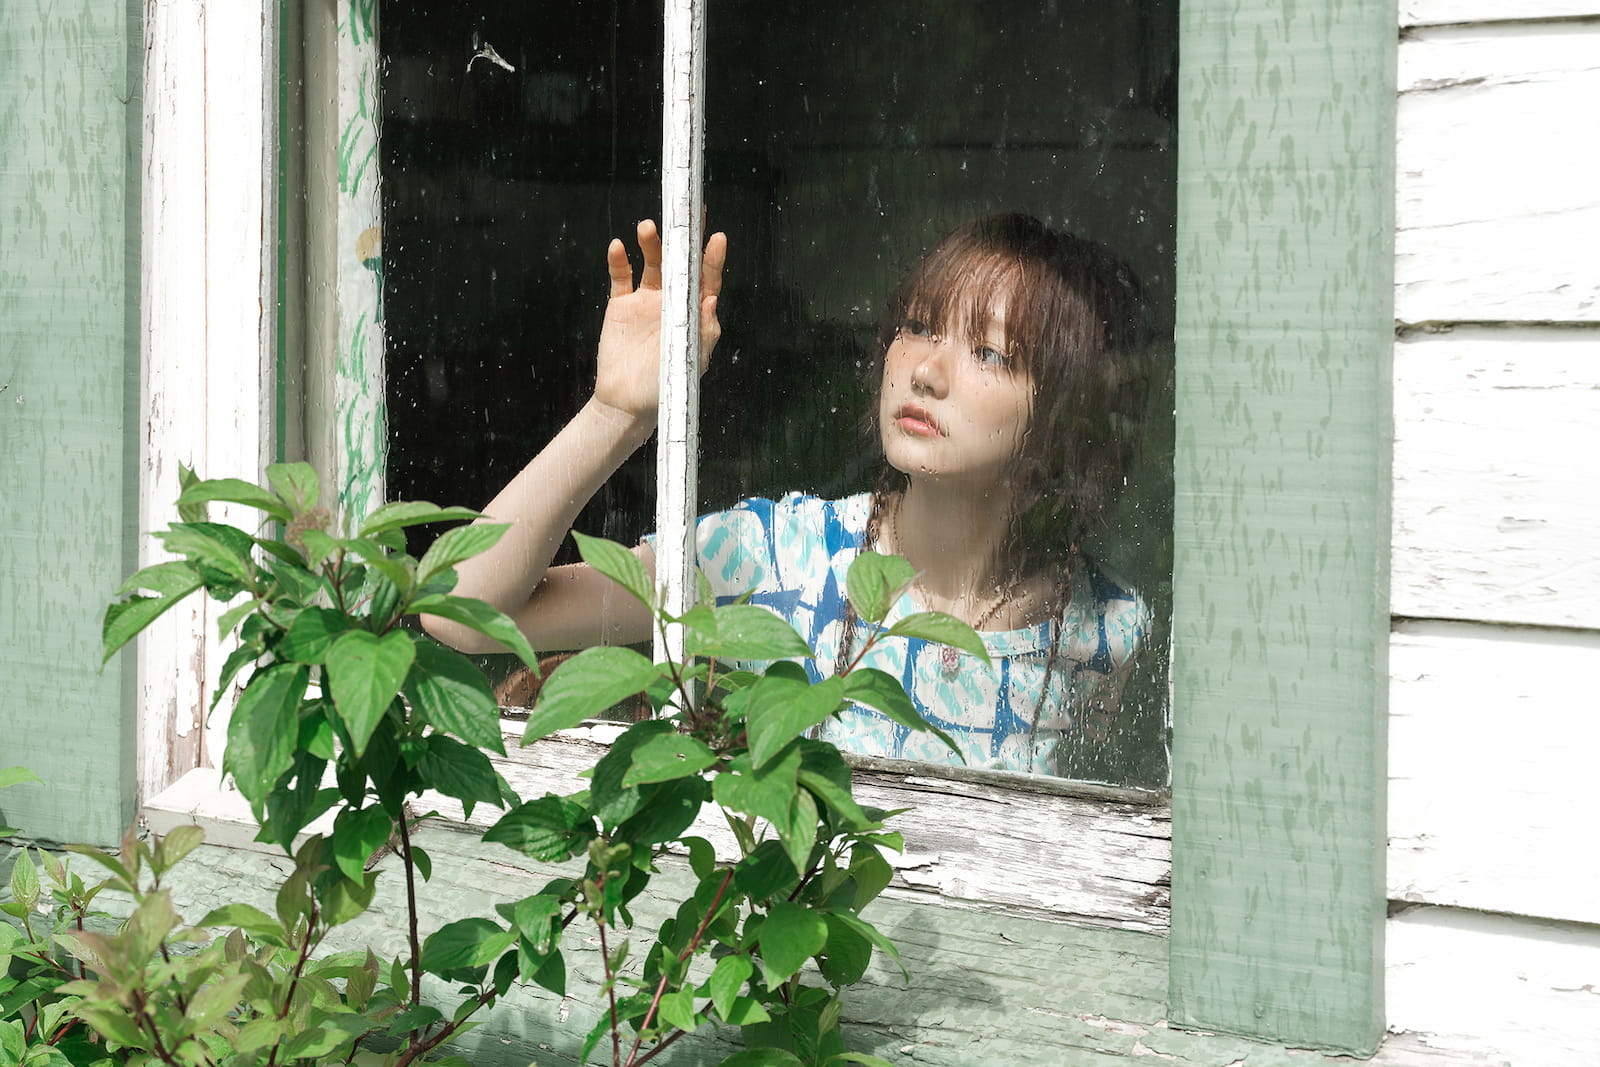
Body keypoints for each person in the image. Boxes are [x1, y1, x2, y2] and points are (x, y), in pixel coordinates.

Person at [426, 213, 1150, 776]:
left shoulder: (1108, 631)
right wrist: (616, 413)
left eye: (989, 352)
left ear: (1066, 411)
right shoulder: (771, 557)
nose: (926, 371)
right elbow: (461, 613)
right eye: (919, 325)